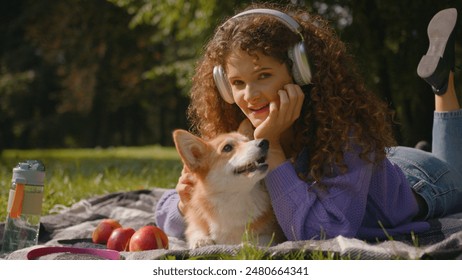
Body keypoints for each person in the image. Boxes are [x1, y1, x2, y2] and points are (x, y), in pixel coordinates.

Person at [155, 3, 462, 242]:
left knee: (458, 178)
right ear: (224, 87)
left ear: (300, 73)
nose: (249, 95)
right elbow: (168, 209)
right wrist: (186, 203)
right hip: (382, 161)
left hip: (422, 183)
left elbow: (322, 234)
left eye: (264, 76)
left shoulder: (345, 137)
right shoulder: (239, 136)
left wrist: (272, 147)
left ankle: (442, 86)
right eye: (237, 82)